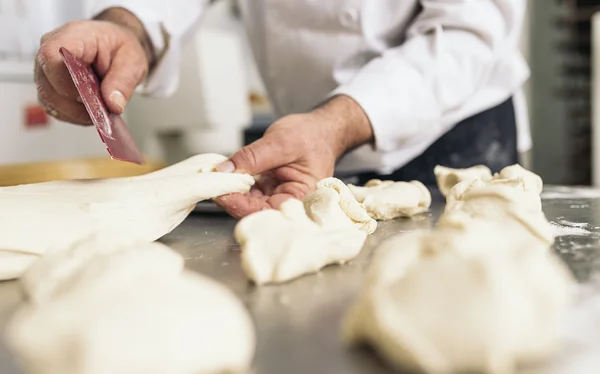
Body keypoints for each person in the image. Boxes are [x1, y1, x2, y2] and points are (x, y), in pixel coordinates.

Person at [35, 1, 529, 218]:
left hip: (453, 131)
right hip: (302, 143)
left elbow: (472, 30)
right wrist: (129, 26)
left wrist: (337, 124)